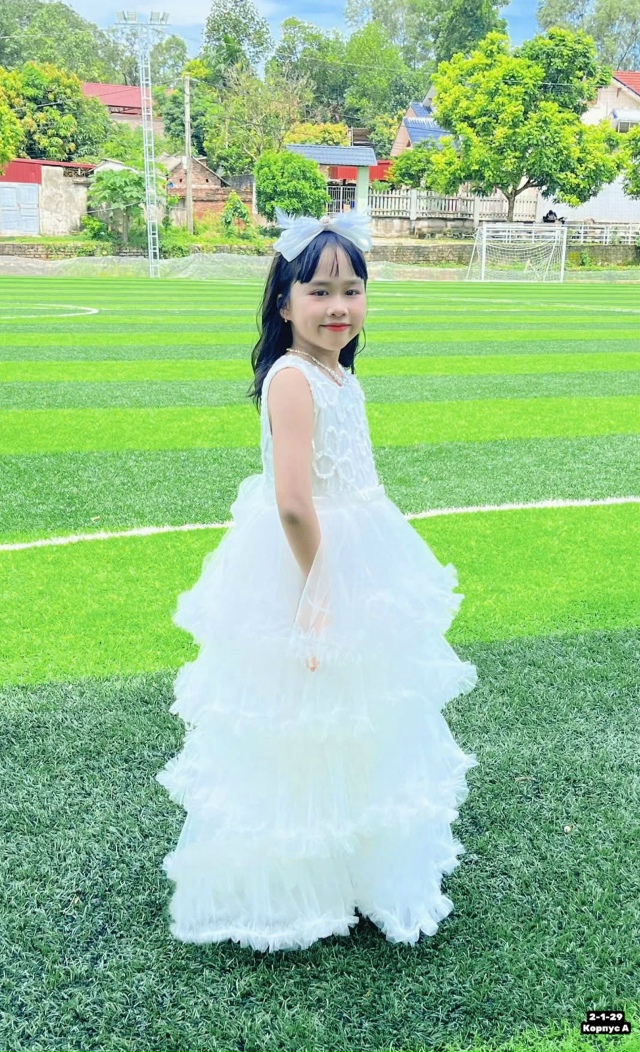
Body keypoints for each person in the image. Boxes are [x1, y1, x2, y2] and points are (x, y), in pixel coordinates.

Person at [155, 207, 480, 953]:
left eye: (352, 291)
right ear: (283, 303)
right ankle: (300, 880)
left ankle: (357, 858)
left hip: (362, 550)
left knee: (359, 714)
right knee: (304, 717)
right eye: (320, 291)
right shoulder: (293, 379)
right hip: (312, 561)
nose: (339, 307)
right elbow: (295, 503)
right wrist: (320, 592)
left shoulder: (339, 373)